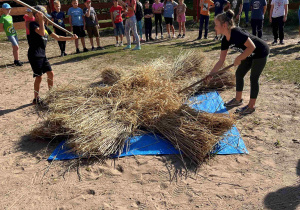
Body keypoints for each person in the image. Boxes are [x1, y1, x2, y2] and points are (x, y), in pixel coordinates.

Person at [207, 10, 269, 115]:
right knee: (239, 74)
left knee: (254, 78)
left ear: (225, 25)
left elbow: (252, 46)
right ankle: (238, 100)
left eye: (216, 25)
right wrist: (211, 74)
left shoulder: (236, 33)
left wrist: (239, 58)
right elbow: (221, 60)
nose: (214, 27)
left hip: (260, 52)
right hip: (248, 53)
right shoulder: (225, 40)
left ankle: (251, 106)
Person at [28, 6, 77, 105]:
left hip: (42, 54)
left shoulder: (45, 27)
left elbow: (58, 37)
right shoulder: (32, 24)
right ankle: (36, 98)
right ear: (37, 15)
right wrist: (41, 20)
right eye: (44, 16)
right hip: (35, 55)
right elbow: (41, 33)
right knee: (39, 77)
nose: (46, 18)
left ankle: (51, 94)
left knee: (50, 73)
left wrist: (70, 38)